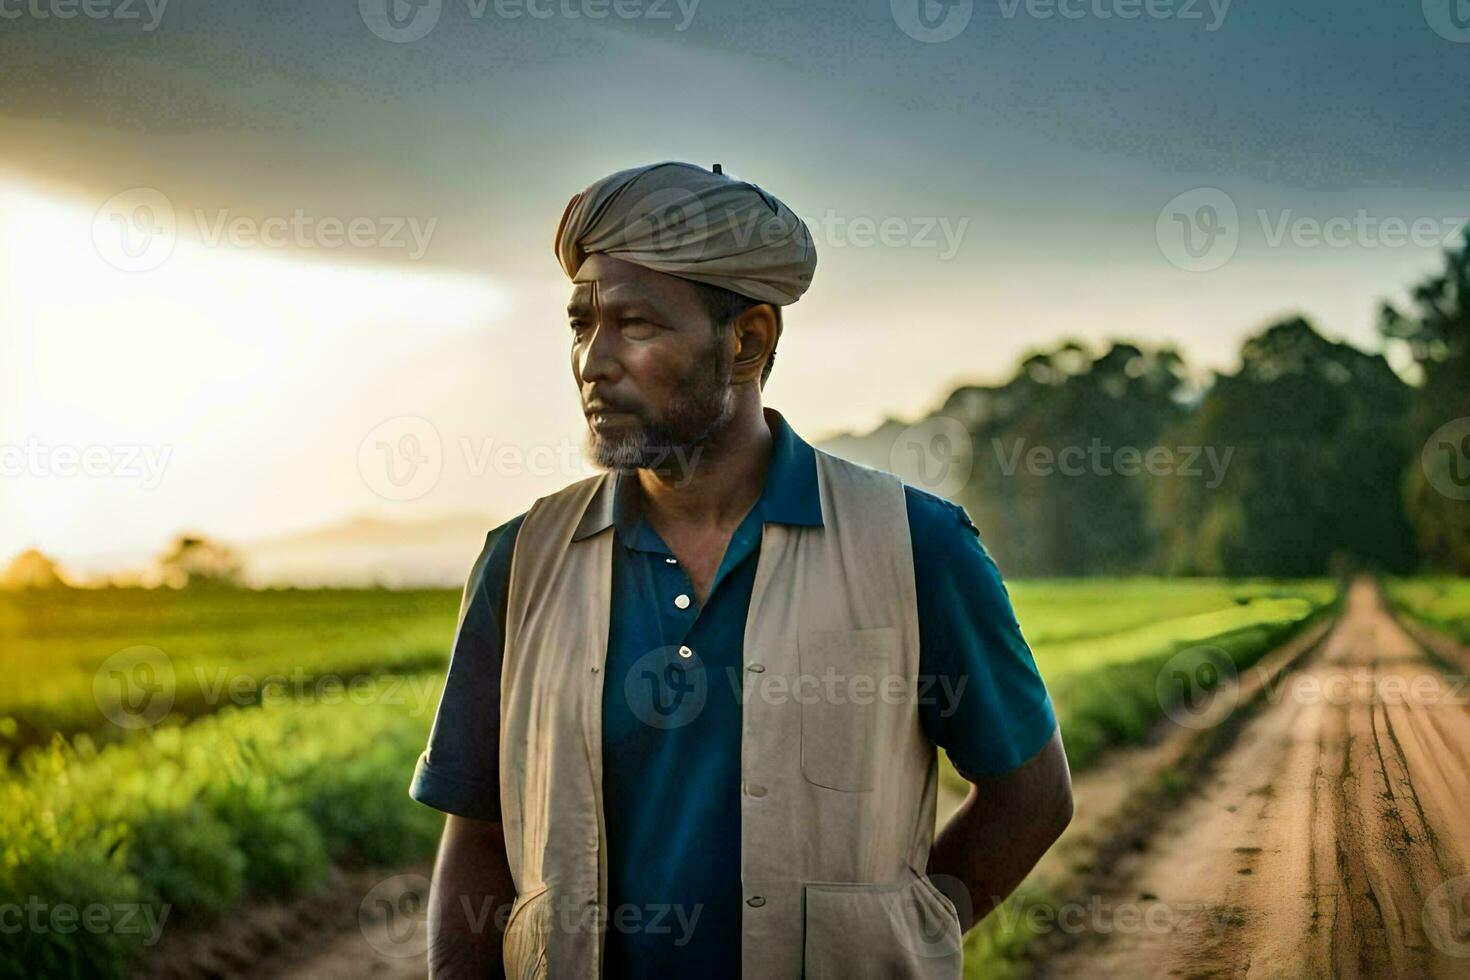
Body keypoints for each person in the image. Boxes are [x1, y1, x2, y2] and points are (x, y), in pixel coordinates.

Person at [409, 161, 1072, 979]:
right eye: (581, 325)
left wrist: (901, 937)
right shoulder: (521, 560)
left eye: (636, 325)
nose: (592, 362)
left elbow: (1031, 797)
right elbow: (477, 838)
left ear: (748, 341)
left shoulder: (915, 546)